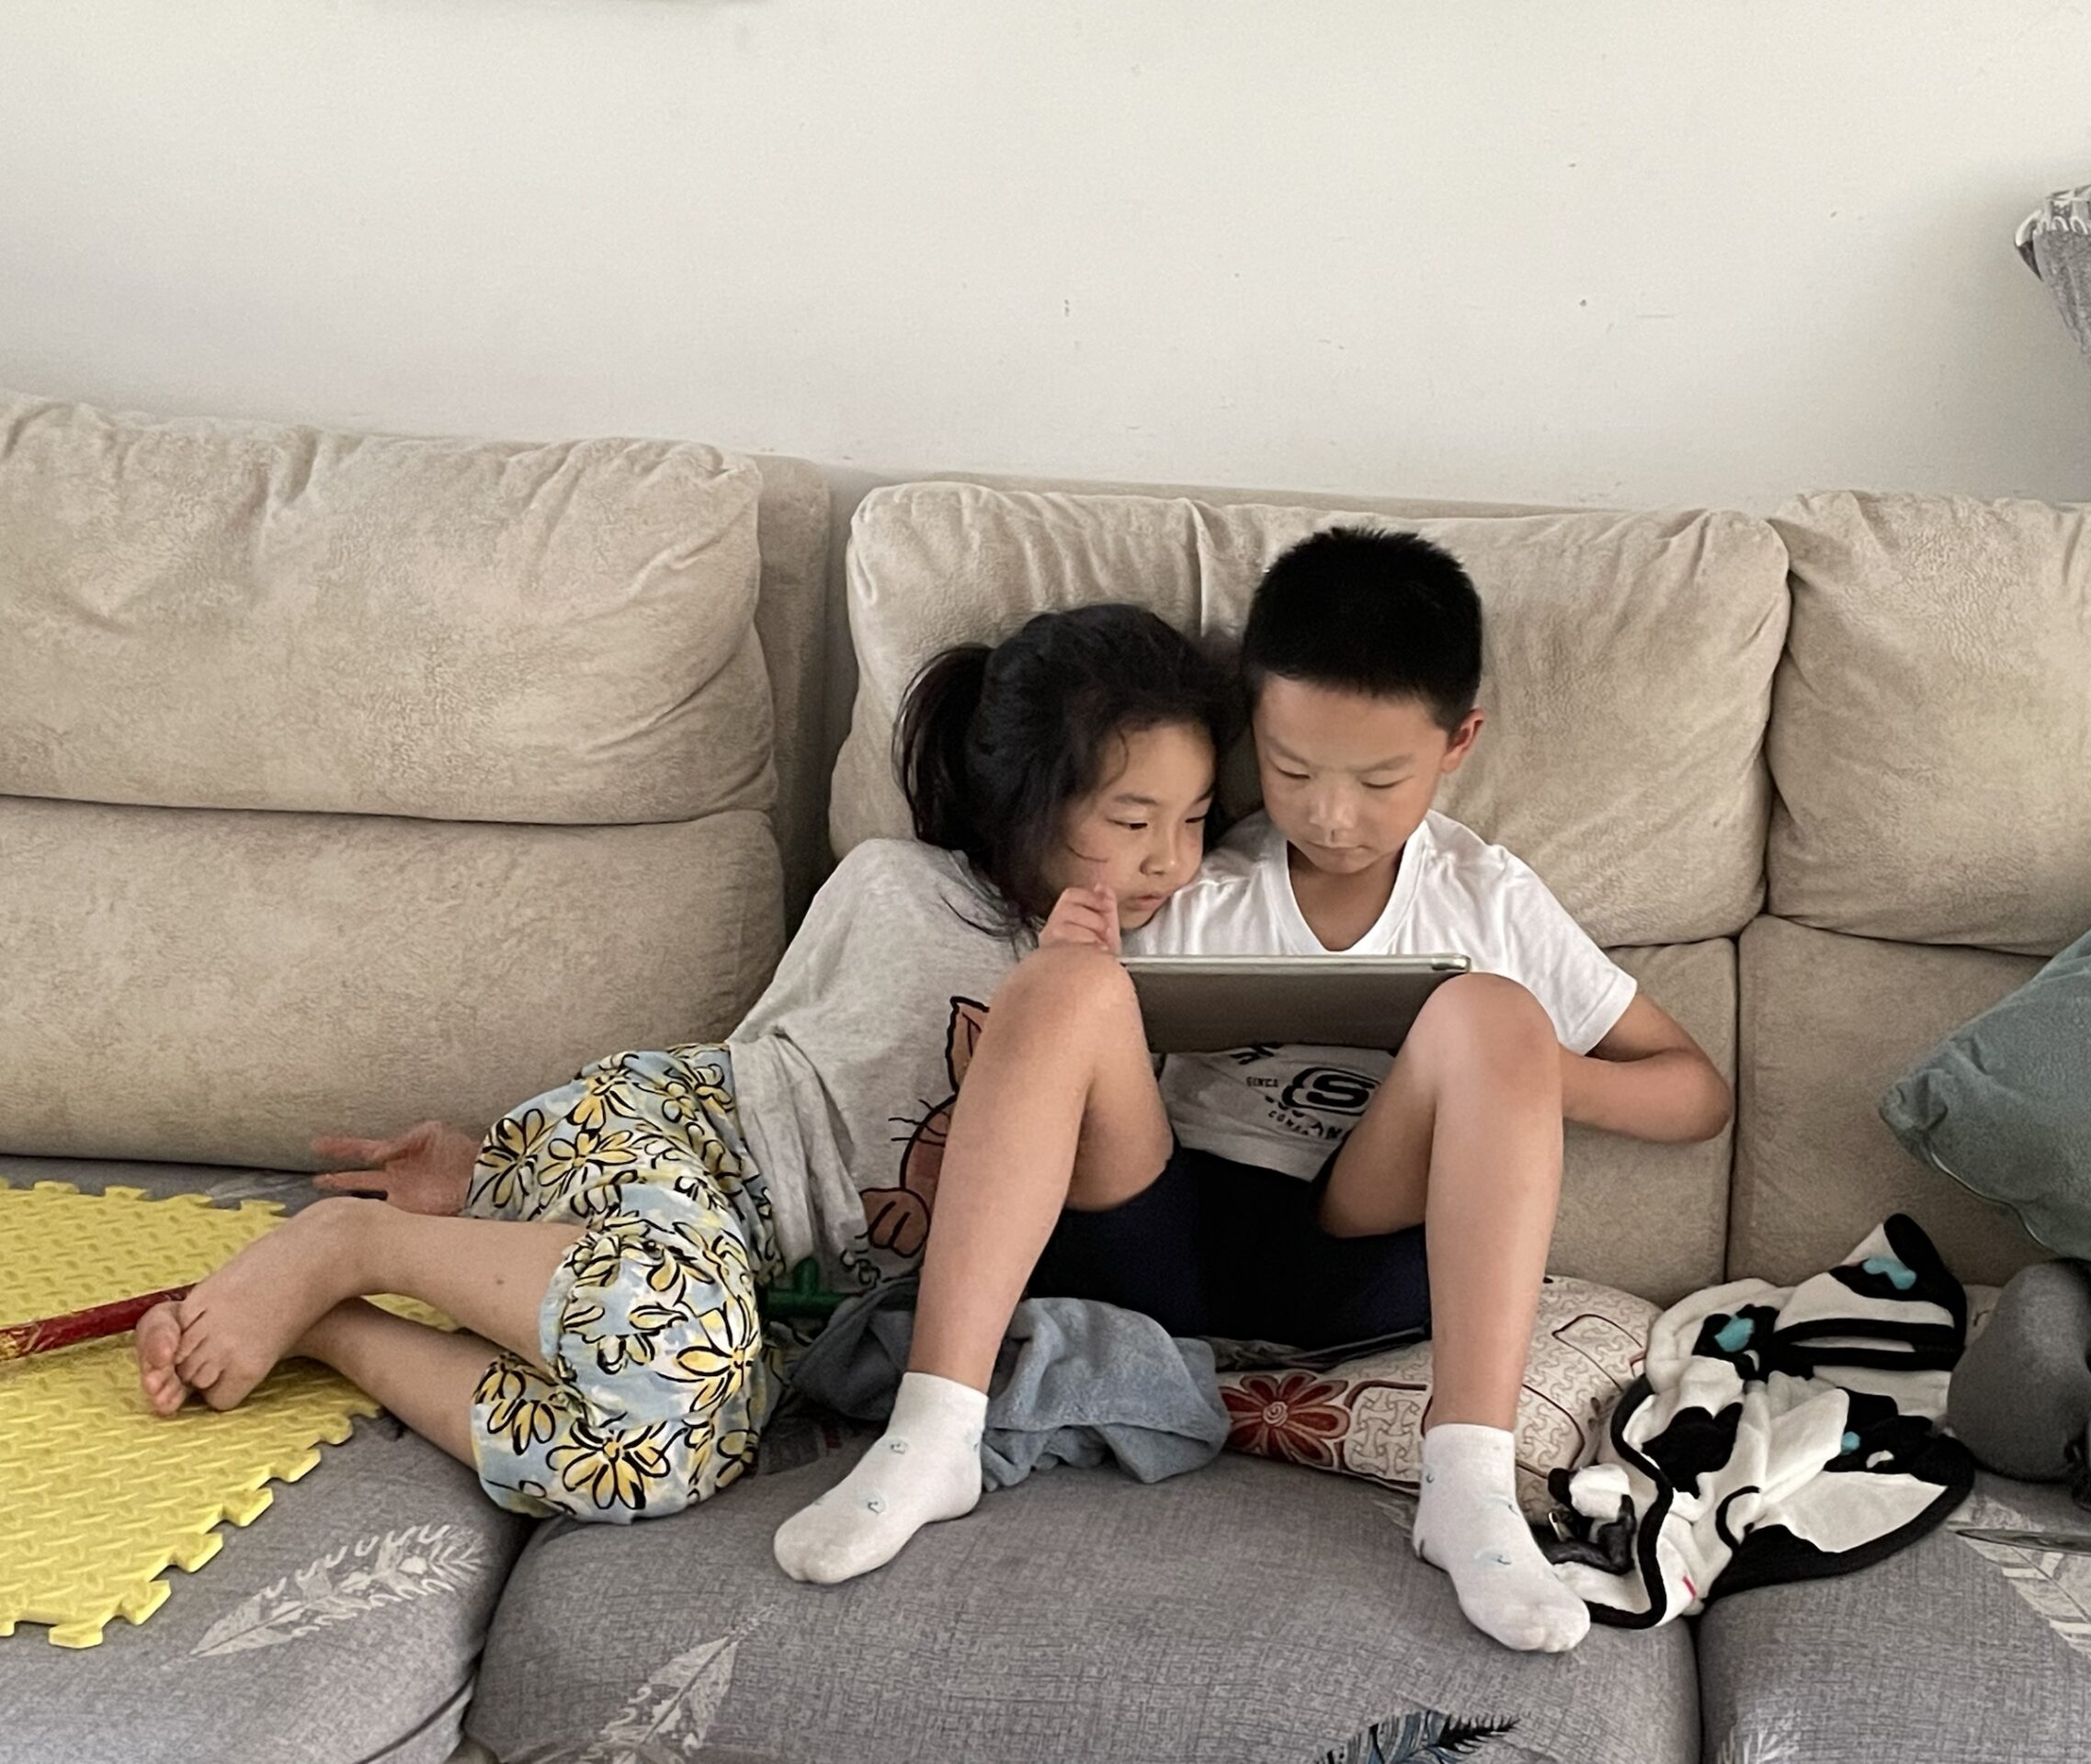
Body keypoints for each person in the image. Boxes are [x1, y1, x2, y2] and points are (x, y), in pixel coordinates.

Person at [774, 528, 1731, 1654]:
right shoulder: (1200, 878)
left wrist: (1517, 1073)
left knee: (1492, 1010)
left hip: (1360, 1248)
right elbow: (1059, 995)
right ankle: (934, 1431)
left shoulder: (1488, 896)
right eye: (1291, 769)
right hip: (1161, 1237)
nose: (1330, 814)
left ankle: (1466, 1482)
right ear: (1251, 731)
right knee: (1064, 985)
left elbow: (1694, 1094)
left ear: (1456, 742)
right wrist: (1076, 955)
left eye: (1378, 780)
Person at [132, 604, 1237, 1523]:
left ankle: (333, 1321)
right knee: (676, 1334)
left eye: (1193, 821)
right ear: (1025, 800)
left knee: (659, 1455)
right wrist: (503, 1168)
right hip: (684, 1145)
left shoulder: (1152, 974)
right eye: (1131, 819)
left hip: (758, 1290)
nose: (1170, 861)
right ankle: (351, 1240)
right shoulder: (902, 887)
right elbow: (769, 1062)